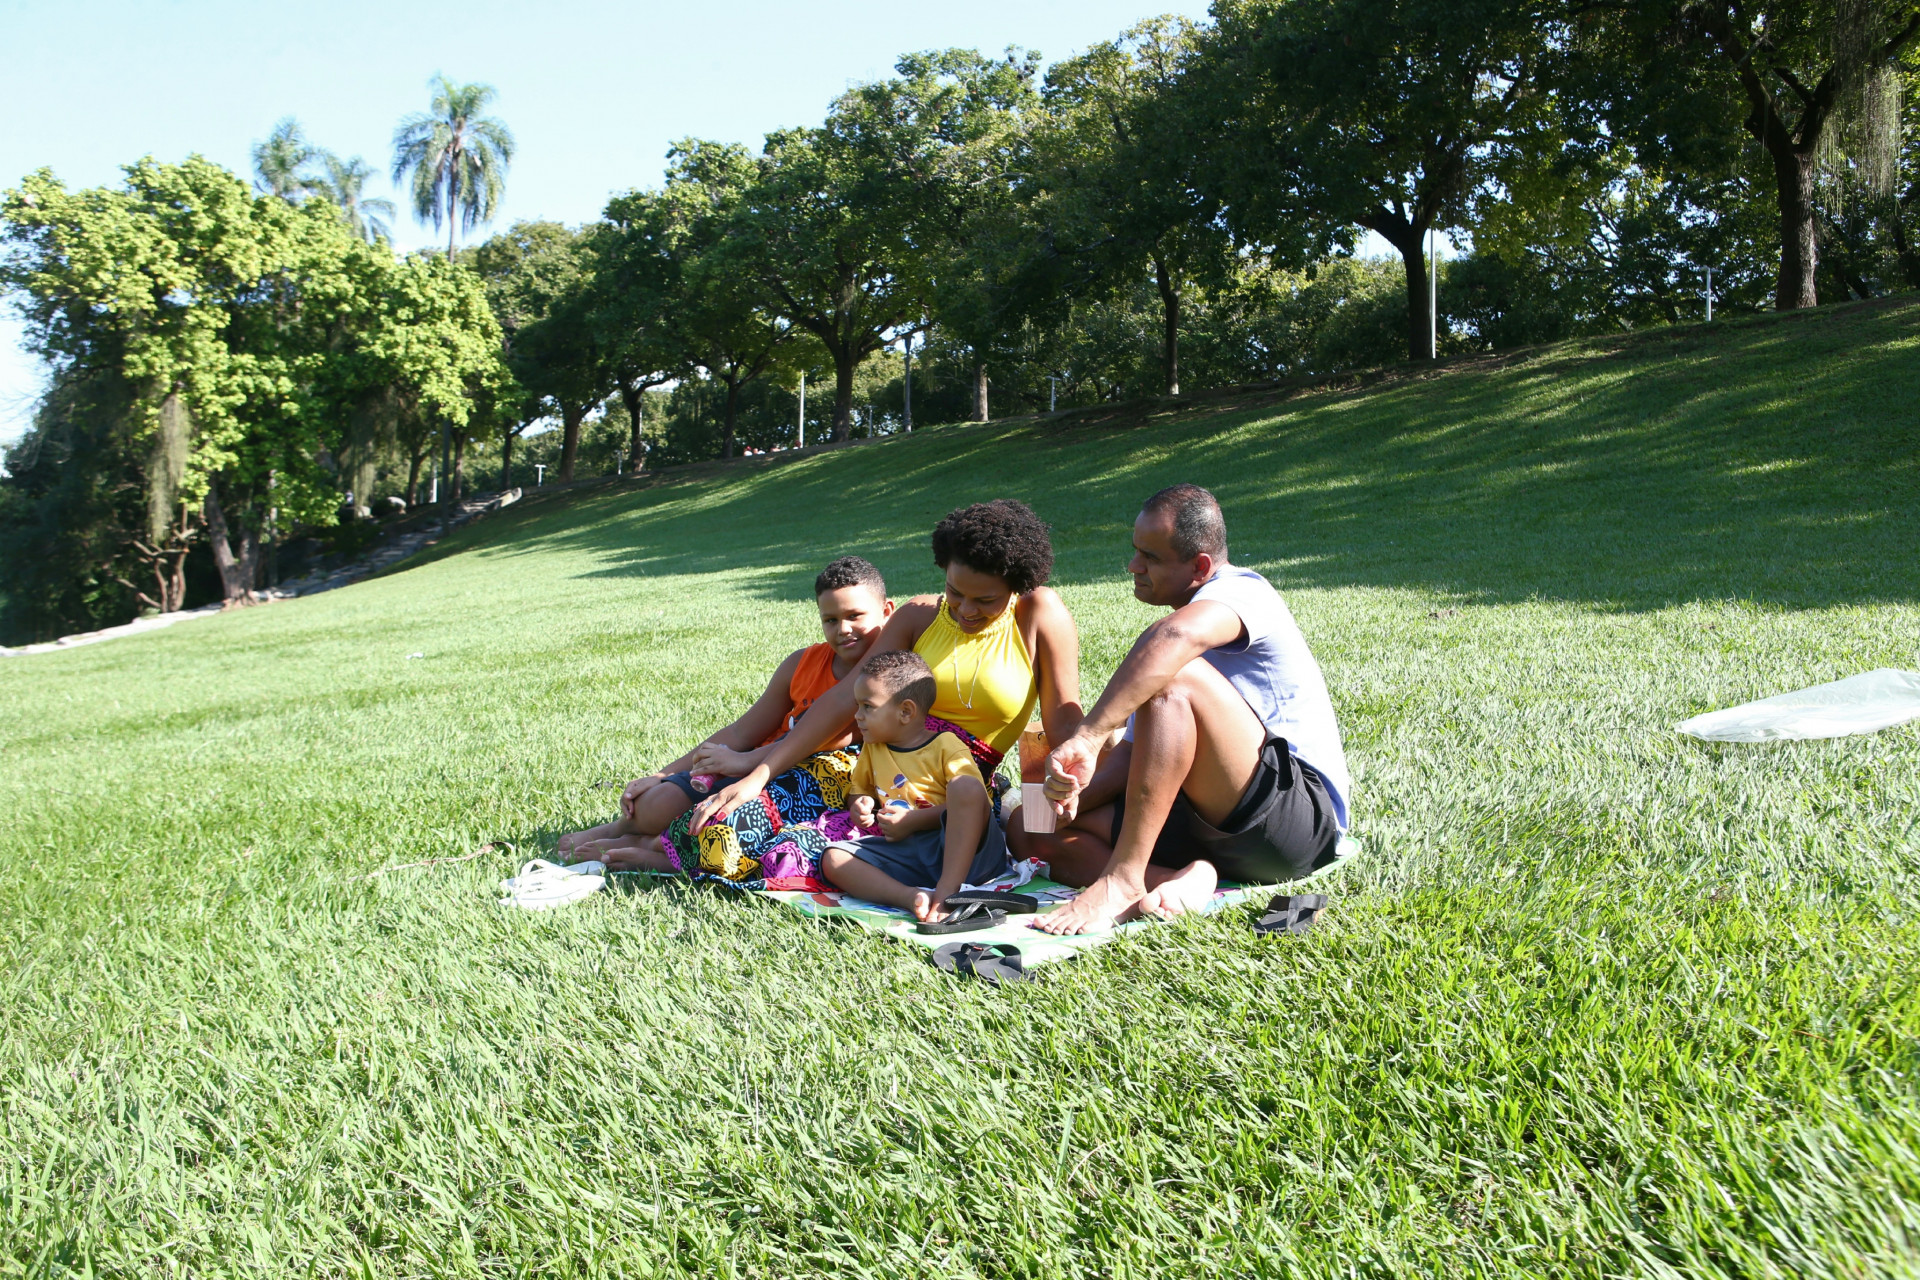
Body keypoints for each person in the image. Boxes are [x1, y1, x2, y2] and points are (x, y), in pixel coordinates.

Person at [688, 500, 1083, 911]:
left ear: (1016, 585)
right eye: (955, 592)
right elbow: (841, 699)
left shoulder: (1037, 614)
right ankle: (654, 837)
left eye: (985, 599)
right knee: (722, 830)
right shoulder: (919, 616)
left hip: (950, 792)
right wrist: (760, 774)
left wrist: (1067, 783)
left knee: (774, 856)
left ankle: (918, 892)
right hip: (870, 767)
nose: (966, 610)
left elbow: (1063, 721)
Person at [1015, 484, 1352, 934]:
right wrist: (1065, 798)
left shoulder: (1244, 592)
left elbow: (1175, 638)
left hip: (1292, 827)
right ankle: (1180, 881)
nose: (1133, 566)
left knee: (1173, 674)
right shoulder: (1170, 649)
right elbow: (1136, 758)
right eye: (1135, 551)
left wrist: (1090, 736)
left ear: (1201, 566)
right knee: (1029, 828)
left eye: (1150, 557)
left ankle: (1122, 880)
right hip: (1204, 828)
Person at [556, 556, 893, 872]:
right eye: (830, 620)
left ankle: (655, 850)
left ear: (887, 611)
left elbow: (833, 738)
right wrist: (663, 775)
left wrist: (746, 763)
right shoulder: (802, 664)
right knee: (655, 803)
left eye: (855, 616)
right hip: (750, 767)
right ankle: (621, 828)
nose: (842, 629)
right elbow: (742, 732)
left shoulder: (887, 680)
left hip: (800, 782)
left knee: (725, 824)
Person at [818, 650, 1010, 920]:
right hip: (912, 854)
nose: (858, 715)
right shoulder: (873, 748)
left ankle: (948, 892)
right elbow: (860, 790)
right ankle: (911, 897)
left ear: (905, 711)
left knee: (965, 786)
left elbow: (975, 804)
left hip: (970, 855)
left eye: (867, 706)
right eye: (858, 705)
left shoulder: (946, 745)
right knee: (833, 859)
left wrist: (913, 820)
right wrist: (861, 805)